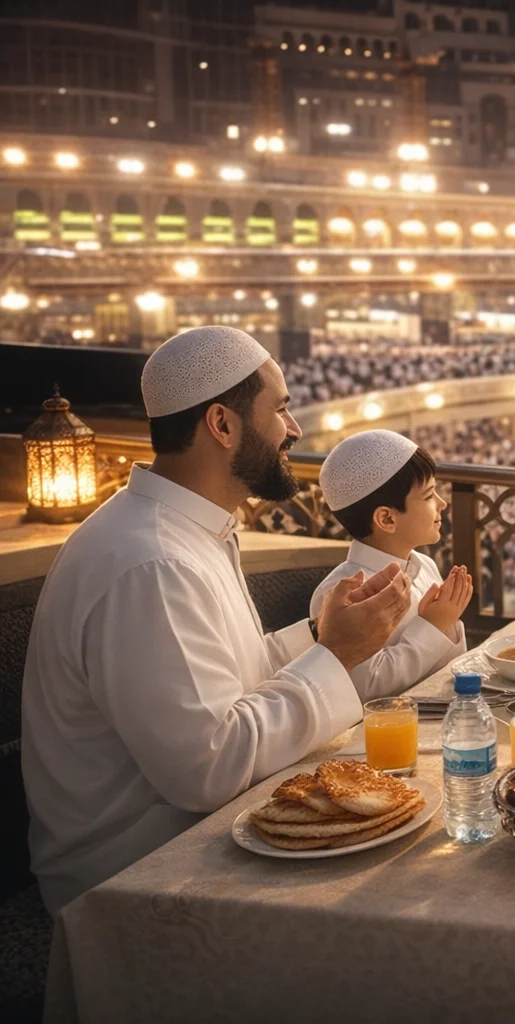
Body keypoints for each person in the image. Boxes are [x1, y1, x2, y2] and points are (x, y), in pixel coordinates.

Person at [22, 326, 411, 915]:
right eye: (280, 410)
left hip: (184, 838)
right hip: (130, 875)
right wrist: (338, 657)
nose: (295, 430)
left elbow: (231, 677)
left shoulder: (181, 531)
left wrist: (322, 634)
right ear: (222, 425)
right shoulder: (149, 561)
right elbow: (208, 767)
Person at [310, 430, 471, 699]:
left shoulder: (424, 565)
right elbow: (367, 691)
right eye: (430, 495)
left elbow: (450, 669)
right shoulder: (343, 594)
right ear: (386, 519)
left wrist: (447, 621)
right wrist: (433, 626)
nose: (442, 504)